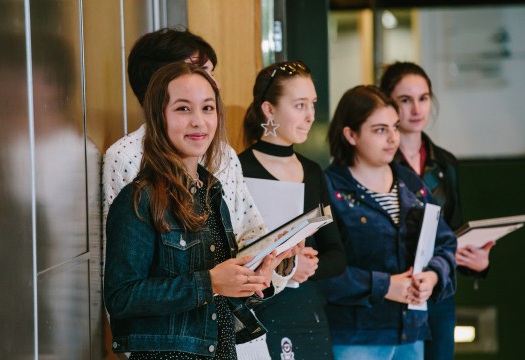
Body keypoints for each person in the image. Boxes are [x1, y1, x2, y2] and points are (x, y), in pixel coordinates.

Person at [102, 28, 296, 359]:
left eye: (207, 108)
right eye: (182, 109)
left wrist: (256, 279)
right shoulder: (140, 197)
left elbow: (221, 296)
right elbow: (120, 297)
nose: (199, 122)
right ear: (157, 114)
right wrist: (209, 283)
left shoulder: (210, 189)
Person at [319, 85, 457, 360]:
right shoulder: (328, 189)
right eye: (380, 130)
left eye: (395, 127)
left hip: (411, 331)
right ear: (350, 134)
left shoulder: (411, 184)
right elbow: (321, 270)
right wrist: (385, 285)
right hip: (356, 337)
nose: (393, 138)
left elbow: (445, 243)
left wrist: (432, 276)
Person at [379, 61, 495, 360]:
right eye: (405, 100)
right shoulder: (377, 161)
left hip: (438, 289)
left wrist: (477, 263)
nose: (416, 108)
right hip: (394, 286)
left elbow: (453, 229)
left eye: (424, 98)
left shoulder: (444, 163)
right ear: (387, 103)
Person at [239, 60, 346, 359]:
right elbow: (230, 254)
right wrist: (288, 266)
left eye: (312, 104)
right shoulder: (238, 170)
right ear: (269, 110)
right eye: (299, 105)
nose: (310, 115)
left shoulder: (312, 171)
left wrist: (309, 266)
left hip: (309, 310)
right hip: (259, 308)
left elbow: (336, 254)